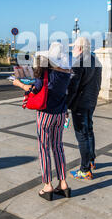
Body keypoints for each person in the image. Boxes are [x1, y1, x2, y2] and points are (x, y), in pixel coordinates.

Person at [12, 42, 72, 201]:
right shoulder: (66, 74)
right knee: (58, 147)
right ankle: (63, 184)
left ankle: (47, 186)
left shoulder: (46, 73)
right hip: (60, 114)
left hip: (46, 114)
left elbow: (34, 89)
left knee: (44, 148)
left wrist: (19, 84)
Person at [67, 37, 102, 180]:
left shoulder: (79, 63)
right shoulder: (95, 60)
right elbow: (98, 83)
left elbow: (73, 87)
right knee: (89, 131)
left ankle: (85, 169)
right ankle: (91, 161)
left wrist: (66, 105)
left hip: (80, 104)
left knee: (82, 135)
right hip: (91, 102)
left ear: (80, 48)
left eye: (74, 47)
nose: (72, 49)